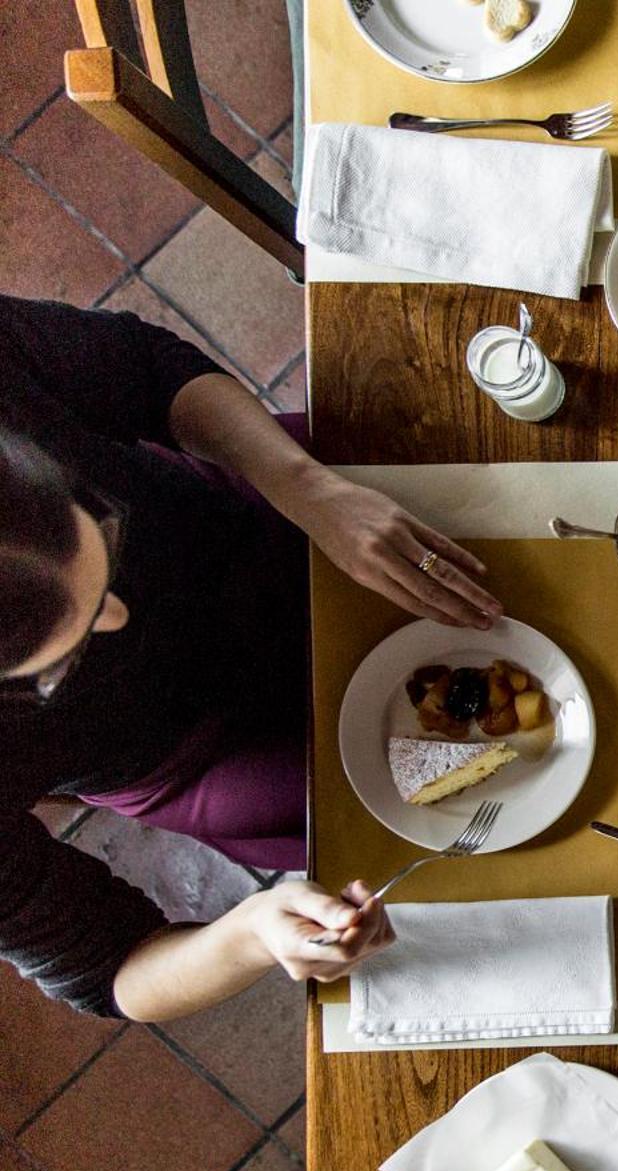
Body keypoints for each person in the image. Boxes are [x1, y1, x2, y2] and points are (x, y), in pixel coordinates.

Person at [1, 294, 504, 1023]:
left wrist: (308, 489)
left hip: (262, 511)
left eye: (101, 537)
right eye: (62, 662)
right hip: (205, 748)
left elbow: (145, 369)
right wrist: (251, 931)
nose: (121, 615)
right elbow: (110, 971)